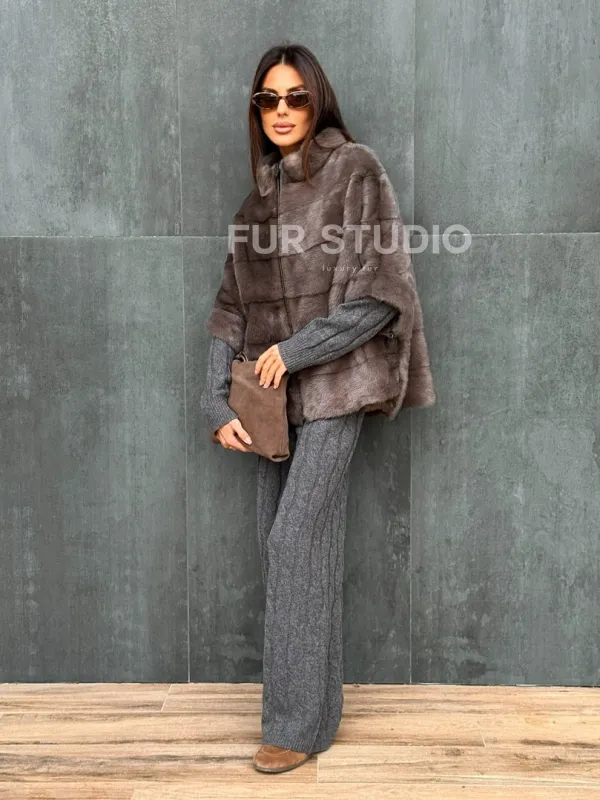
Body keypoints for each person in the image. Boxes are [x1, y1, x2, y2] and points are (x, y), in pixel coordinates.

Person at [201, 42, 436, 774]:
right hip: (271, 408)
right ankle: (319, 714)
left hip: (337, 389)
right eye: (267, 99)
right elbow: (230, 313)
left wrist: (296, 350)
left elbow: (383, 294)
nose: (281, 111)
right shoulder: (255, 204)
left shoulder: (354, 170)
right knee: (291, 546)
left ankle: (293, 727)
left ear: (317, 102)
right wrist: (214, 400)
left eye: (295, 97)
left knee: (295, 544)